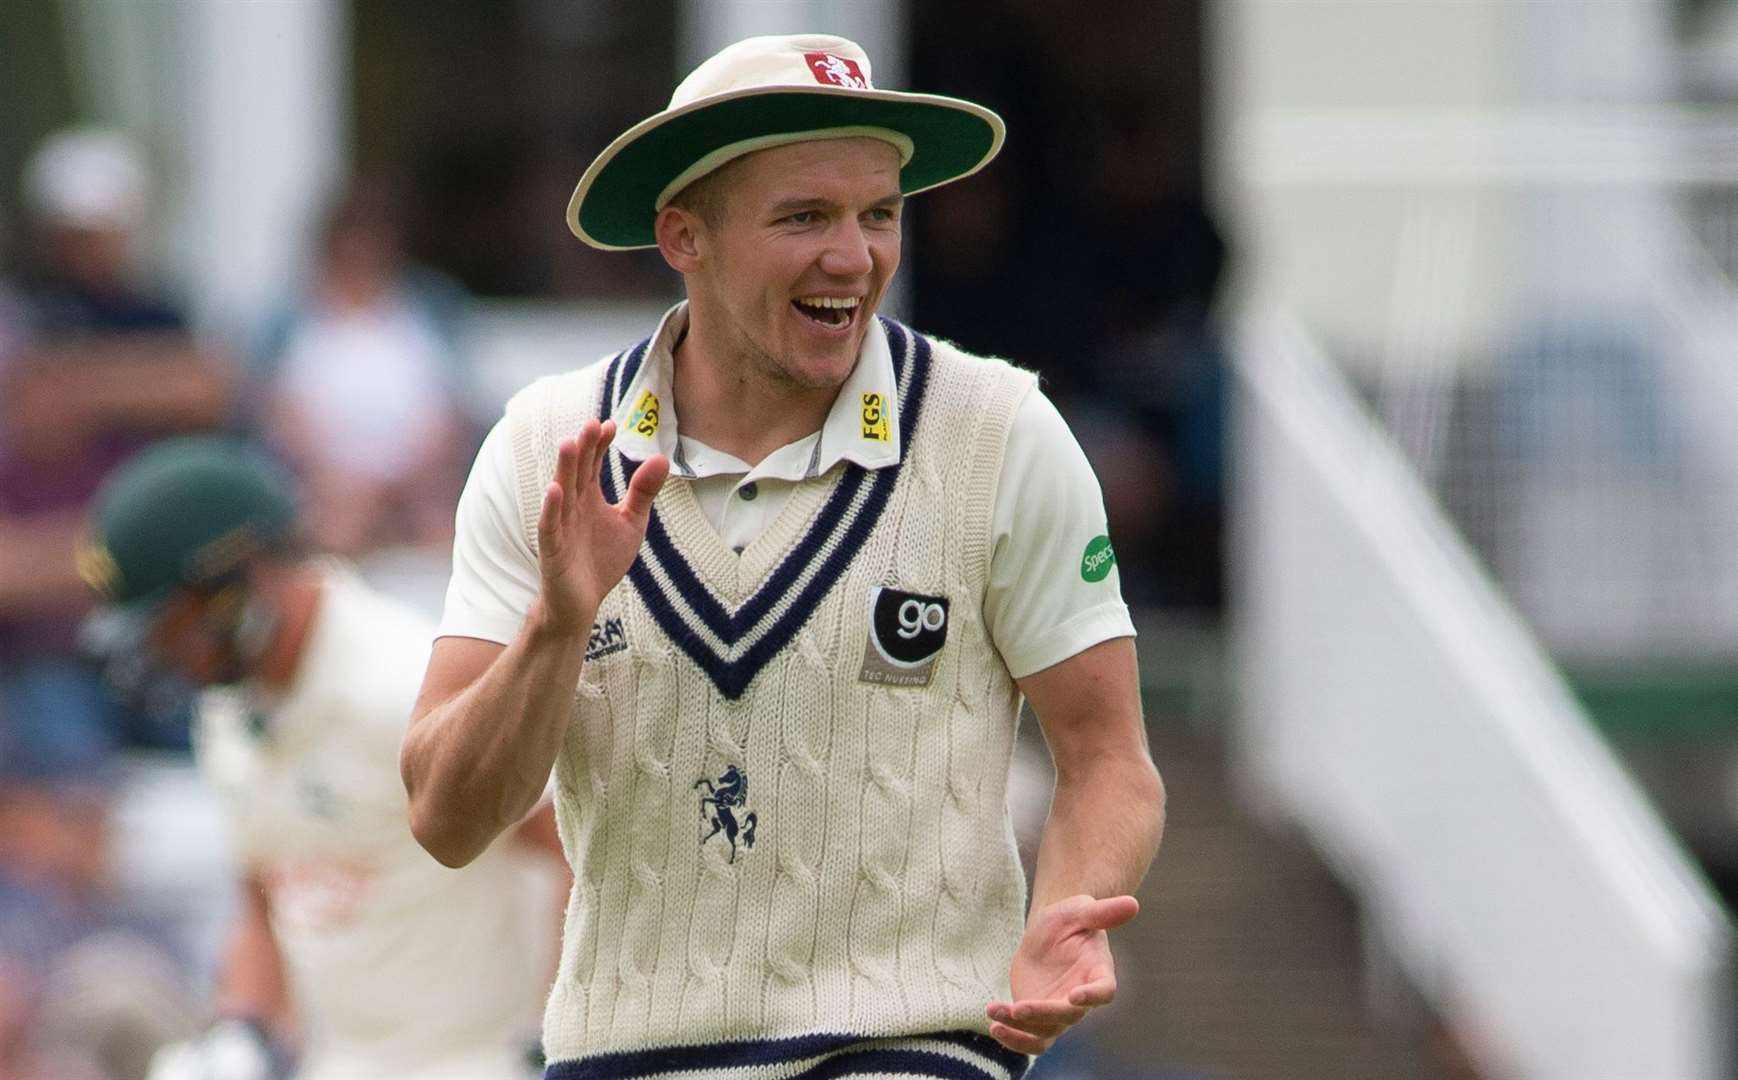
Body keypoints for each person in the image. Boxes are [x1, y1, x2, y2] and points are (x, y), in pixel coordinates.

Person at [402, 33, 1166, 1079]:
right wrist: (555, 627)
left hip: (912, 1046)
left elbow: (1107, 758)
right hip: (624, 1053)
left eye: (880, 214)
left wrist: (1068, 918)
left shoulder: (1000, 431)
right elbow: (446, 819)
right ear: (685, 236)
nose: (854, 257)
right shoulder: (546, 445)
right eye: (804, 216)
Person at [78, 437, 566, 1080]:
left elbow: (571, 854)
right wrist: (241, 1030)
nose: (167, 658)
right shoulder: (227, 711)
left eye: (170, 628)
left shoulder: (402, 687)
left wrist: (554, 1042)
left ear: (233, 586)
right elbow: (265, 896)